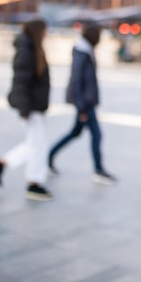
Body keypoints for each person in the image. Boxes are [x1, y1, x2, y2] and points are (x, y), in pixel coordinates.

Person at [0, 19, 52, 201]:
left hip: (35, 105)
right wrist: (24, 109)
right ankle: (34, 183)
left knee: (36, 143)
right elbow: (20, 82)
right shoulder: (26, 50)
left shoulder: (31, 48)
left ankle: (1, 164)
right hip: (31, 106)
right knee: (38, 145)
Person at [47, 25, 117, 185]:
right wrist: (81, 107)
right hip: (85, 103)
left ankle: (49, 156)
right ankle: (98, 170)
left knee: (75, 133)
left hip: (86, 102)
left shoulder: (85, 50)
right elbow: (76, 80)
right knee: (96, 135)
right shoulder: (82, 52)